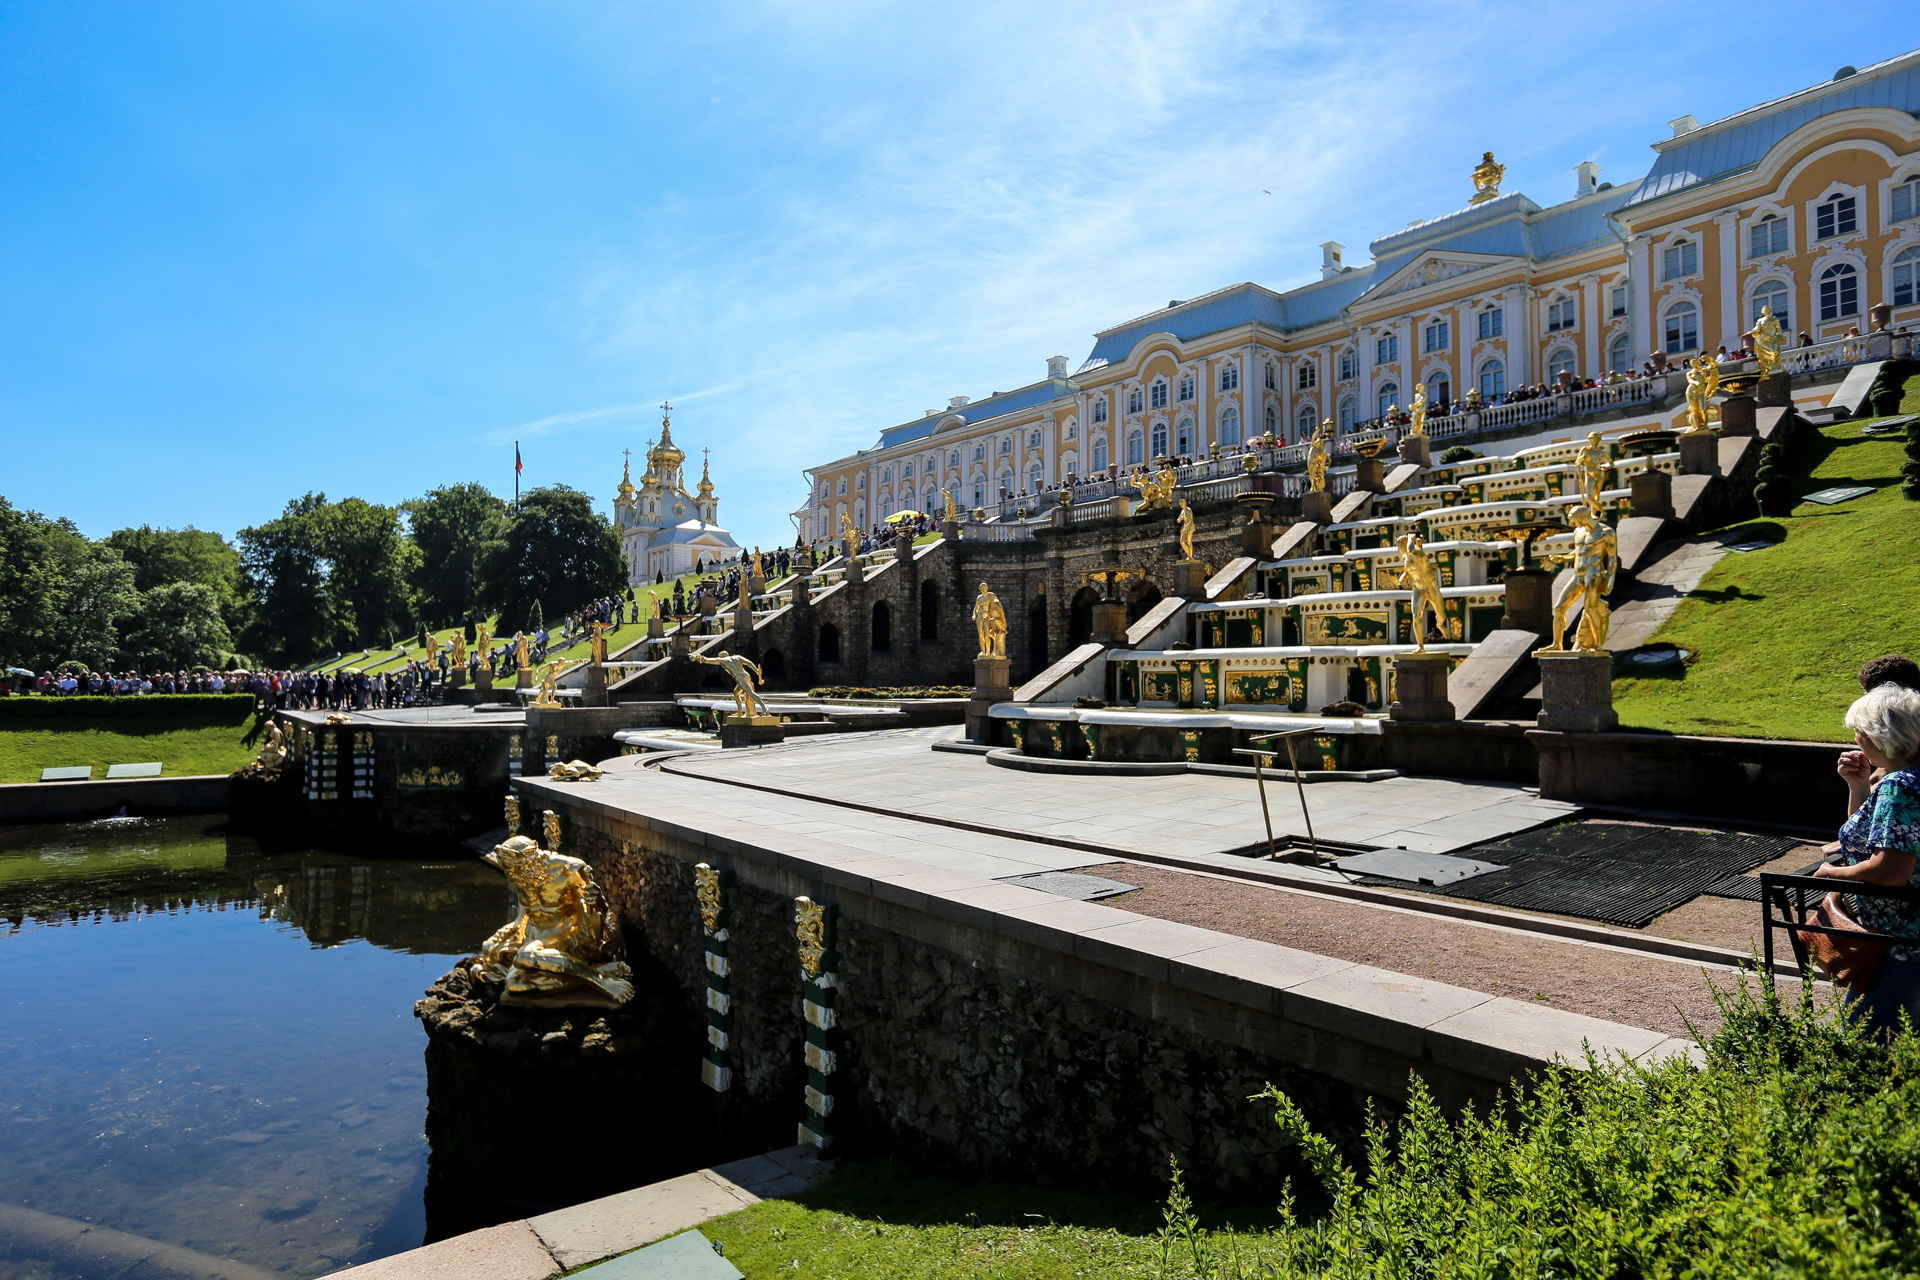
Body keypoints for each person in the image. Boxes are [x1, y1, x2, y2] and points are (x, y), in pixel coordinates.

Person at [1814, 683, 1920, 1035]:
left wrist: (1833, 873)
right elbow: (1868, 839)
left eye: (1859, 729)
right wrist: (1858, 785)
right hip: (1906, 941)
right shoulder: (1905, 779)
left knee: (1872, 1048)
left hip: (1898, 945)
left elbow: (1889, 871)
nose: (1856, 738)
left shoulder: (1899, 786)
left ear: (1879, 737)